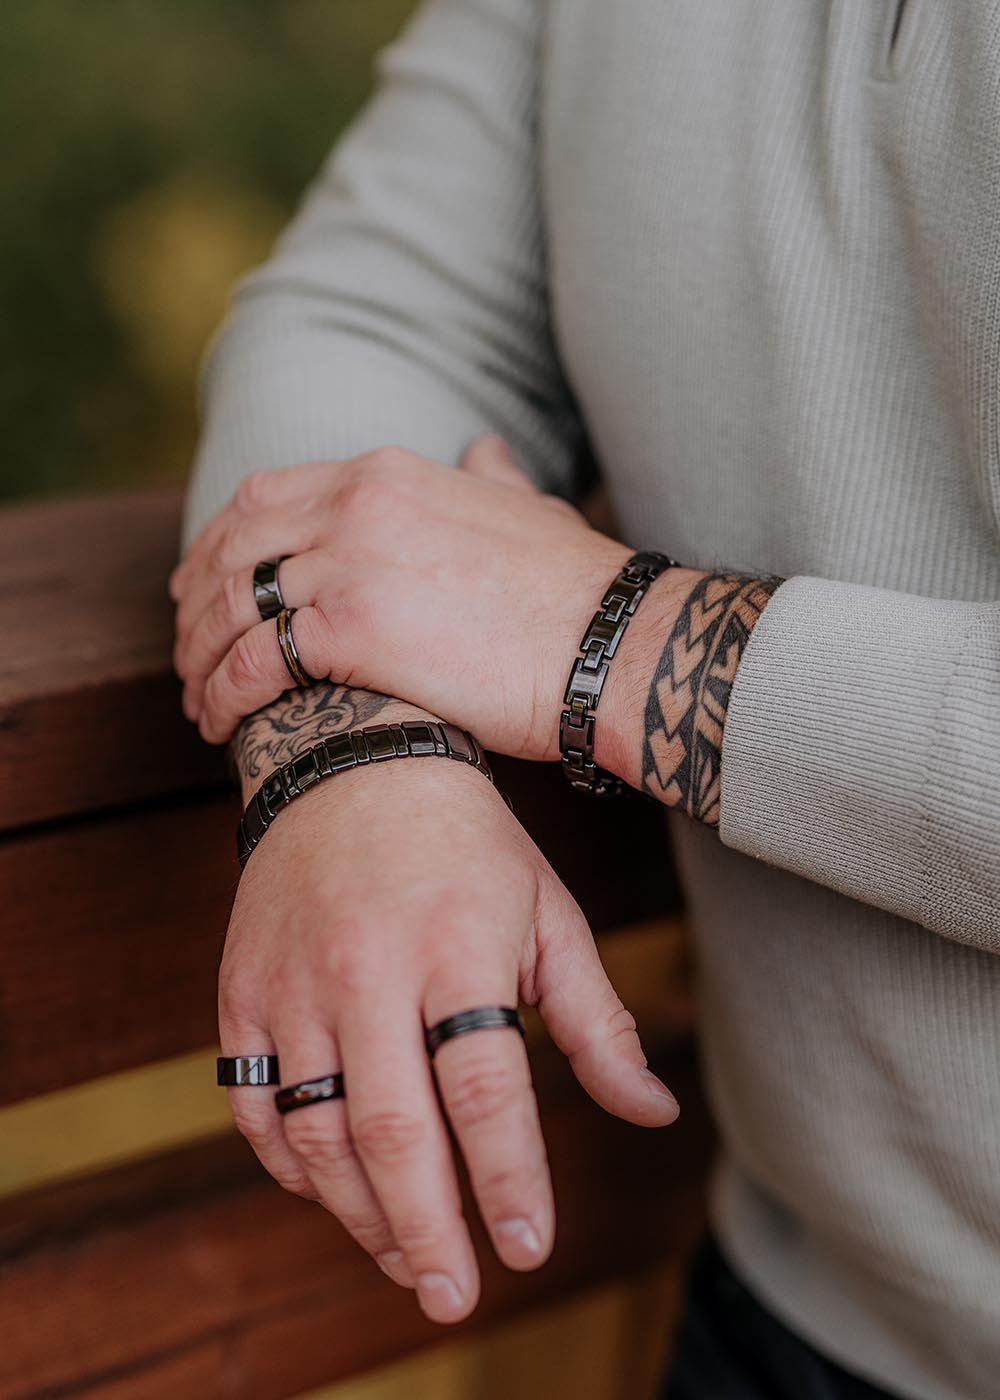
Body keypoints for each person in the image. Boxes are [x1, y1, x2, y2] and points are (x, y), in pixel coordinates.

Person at [170, 3, 1000, 1397]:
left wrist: (606, 638)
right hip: (805, 1311)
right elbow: (378, 310)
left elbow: (567, 621)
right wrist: (353, 751)